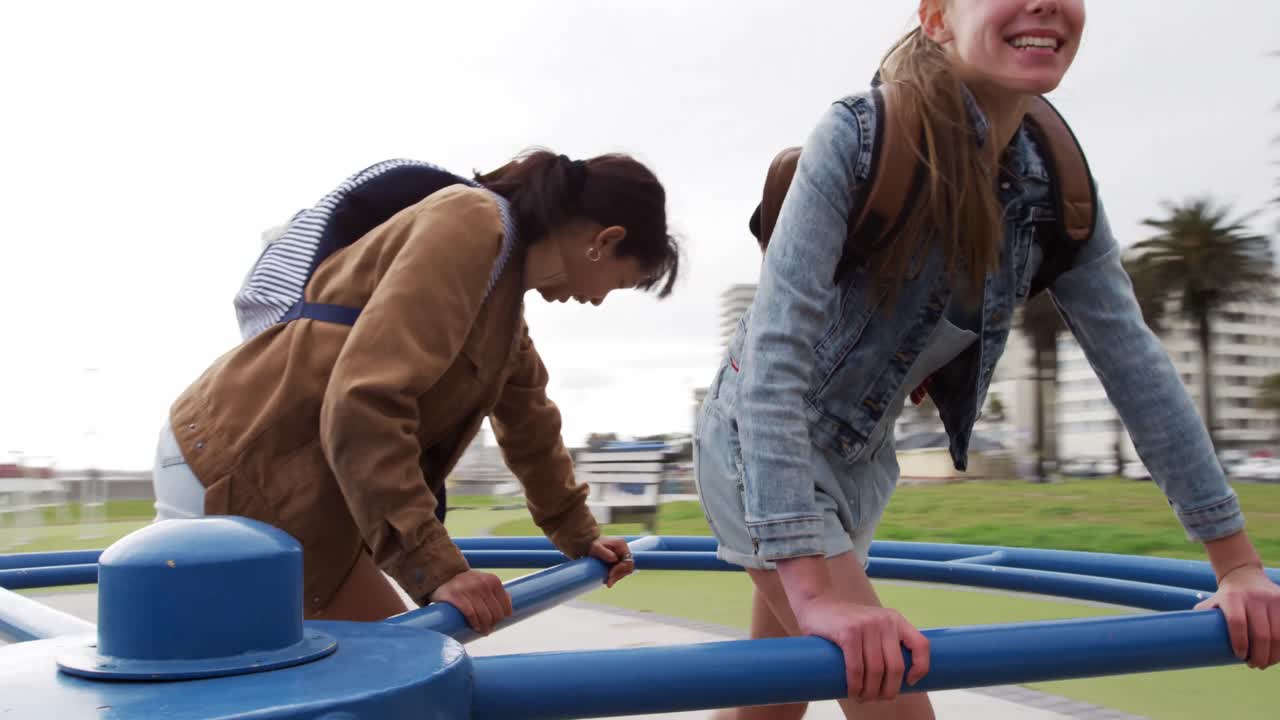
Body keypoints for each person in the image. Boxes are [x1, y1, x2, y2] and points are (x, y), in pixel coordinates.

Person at [695, 2, 1280, 718]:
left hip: (859, 458)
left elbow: (1135, 365)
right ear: (938, 18)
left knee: (775, 694)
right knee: (889, 683)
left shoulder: (1057, 182)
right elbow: (776, 357)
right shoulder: (857, 137)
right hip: (759, 446)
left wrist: (1238, 565)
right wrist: (814, 589)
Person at [152, 150, 681, 631]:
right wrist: (438, 569)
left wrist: (580, 536)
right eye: (619, 281)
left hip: (286, 476)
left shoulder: (503, 307)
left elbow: (530, 426)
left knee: (374, 680)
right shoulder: (471, 223)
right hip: (239, 457)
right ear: (604, 241)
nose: (599, 301)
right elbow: (365, 403)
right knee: (397, 681)